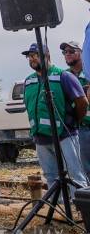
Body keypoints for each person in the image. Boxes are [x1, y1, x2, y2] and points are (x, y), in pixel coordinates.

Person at [22, 42, 89, 205]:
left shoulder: (63, 76)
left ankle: (81, 210)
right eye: (30, 56)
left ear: (47, 55)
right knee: (51, 176)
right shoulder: (29, 81)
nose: (32, 59)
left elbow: (82, 102)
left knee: (75, 174)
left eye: (36, 55)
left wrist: (74, 121)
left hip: (64, 135)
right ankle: (58, 208)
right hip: (41, 138)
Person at [59, 40, 90, 182]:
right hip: (78, 128)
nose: (68, 54)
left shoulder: (88, 73)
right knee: (81, 168)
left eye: (72, 51)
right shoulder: (64, 76)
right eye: (65, 52)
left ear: (81, 53)